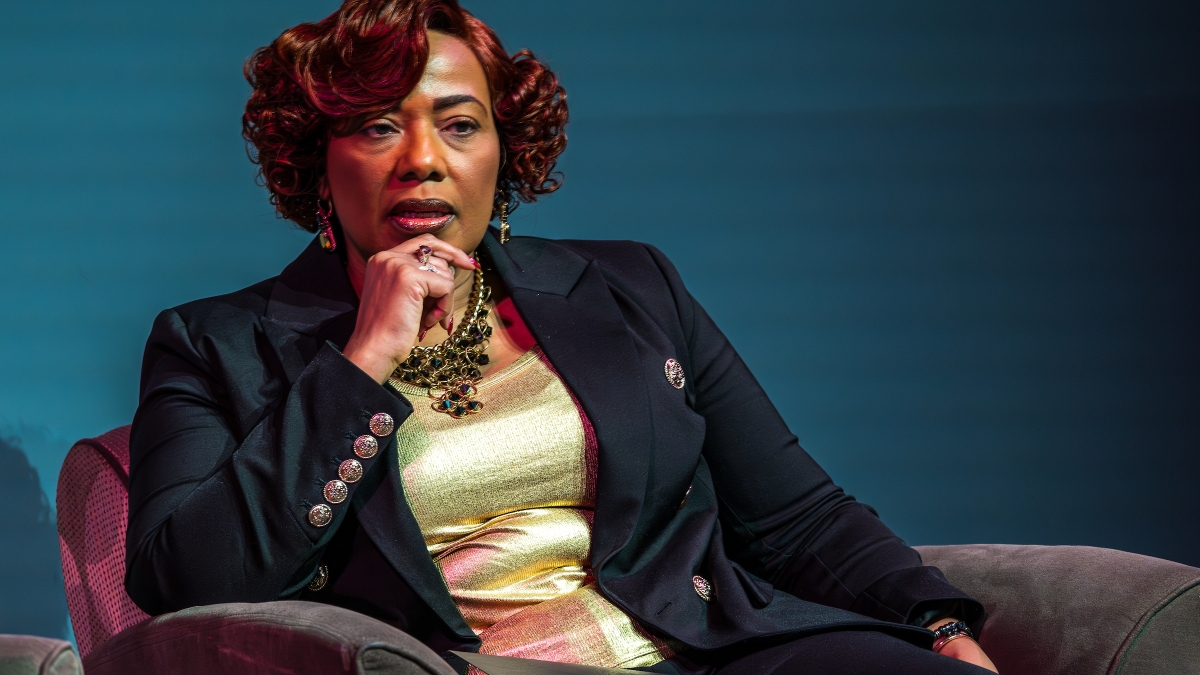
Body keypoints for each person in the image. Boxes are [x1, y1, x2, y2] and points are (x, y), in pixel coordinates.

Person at [126, 1, 999, 672]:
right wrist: (363, 359)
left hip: (715, 647)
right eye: (377, 124)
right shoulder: (213, 344)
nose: (423, 158)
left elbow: (795, 515)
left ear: (505, 151)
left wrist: (938, 619)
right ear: (316, 159)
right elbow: (191, 587)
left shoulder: (629, 285)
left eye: (460, 124)